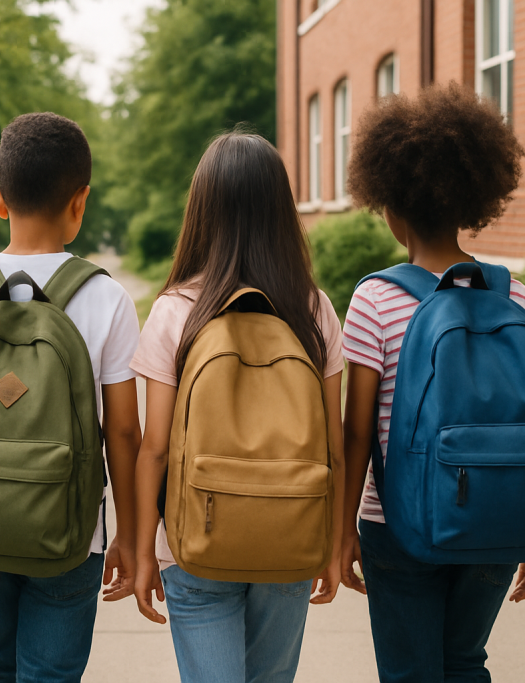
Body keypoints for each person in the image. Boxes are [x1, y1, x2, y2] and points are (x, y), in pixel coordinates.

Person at [0, 112, 142, 681]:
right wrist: (132, 538)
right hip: (68, 531)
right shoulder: (105, 298)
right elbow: (122, 434)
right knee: (51, 674)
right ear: (80, 201)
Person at [339, 83, 525, 682]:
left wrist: (339, 535)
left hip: (396, 523)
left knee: (409, 671)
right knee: (464, 662)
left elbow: (357, 434)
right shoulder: (517, 297)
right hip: (496, 519)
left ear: (389, 204)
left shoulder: (374, 300)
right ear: (474, 199)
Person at [132, 131, 346, 683]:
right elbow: (334, 448)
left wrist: (139, 548)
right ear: (281, 210)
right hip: (291, 531)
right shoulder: (314, 310)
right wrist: (333, 541)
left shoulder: (175, 312)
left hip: (193, 538)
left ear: (202, 211)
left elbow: (154, 449)